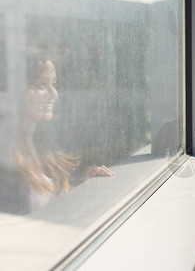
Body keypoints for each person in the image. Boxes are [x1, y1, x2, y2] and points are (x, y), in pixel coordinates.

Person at [0, 50, 114, 214]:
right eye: (42, 84)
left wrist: (81, 184)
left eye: (54, 84)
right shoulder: (5, 156)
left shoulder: (42, 146)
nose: (54, 93)